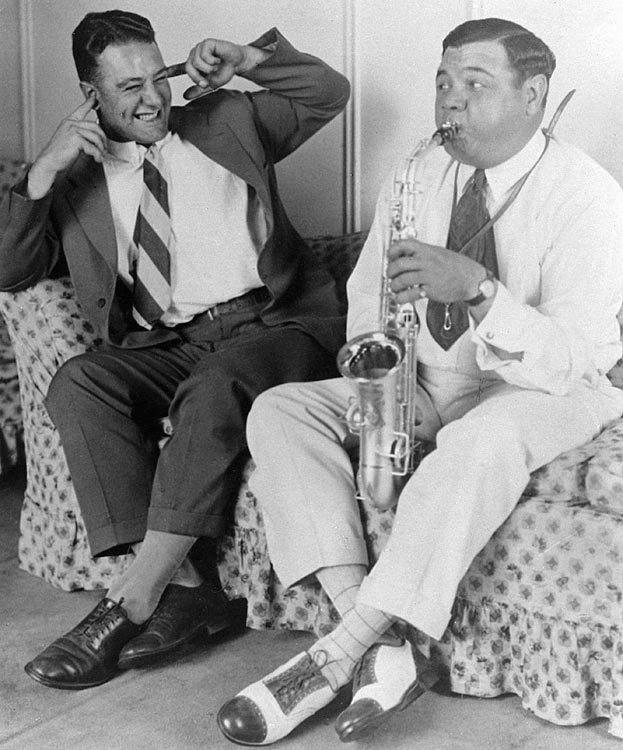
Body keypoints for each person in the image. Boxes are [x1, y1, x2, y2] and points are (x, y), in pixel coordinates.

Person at [216, 17, 623, 746]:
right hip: (427, 374)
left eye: (475, 83)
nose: (449, 102)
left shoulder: (589, 195)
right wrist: (382, 381)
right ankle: (376, 640)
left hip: (543, 388)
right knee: (280, 411)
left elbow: (569, 355)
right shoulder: (416, 170)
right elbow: (371, 291)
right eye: (442, 82)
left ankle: (331, 657)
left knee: (479, 440)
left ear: (533, 95)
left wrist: (477, 293)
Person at [0, 10, 350, 690]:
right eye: (127, 86)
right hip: (177, 342)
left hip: (279, 327)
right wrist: (44, 168)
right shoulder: (78, 178)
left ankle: (130, 597)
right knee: (80, 382)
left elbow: (326, 94)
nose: (152, 97)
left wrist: (248, 57)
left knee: (216, 384)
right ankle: (191, 590)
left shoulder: (226, 120)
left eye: (156, 76)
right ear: (90, 93)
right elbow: (11, 272)